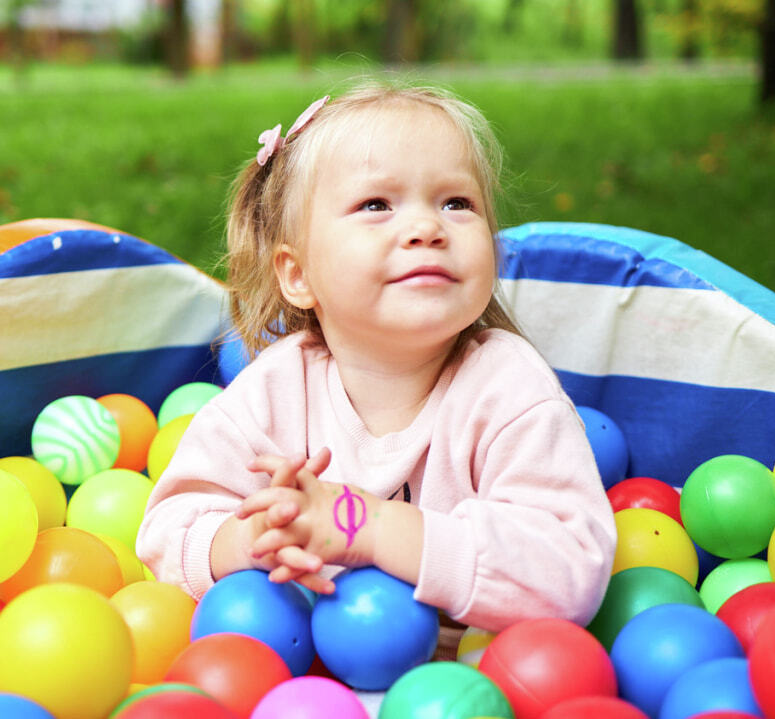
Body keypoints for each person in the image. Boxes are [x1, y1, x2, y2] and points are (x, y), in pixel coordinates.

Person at [137, 81, 616, 632]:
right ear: (297, 274)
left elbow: (570, 573)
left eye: (456, 203)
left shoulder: (506, 388)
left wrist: (374, 529)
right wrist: (251, 538)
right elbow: (165, 531)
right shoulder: (274, 391)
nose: (426, 228)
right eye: (376, 205)